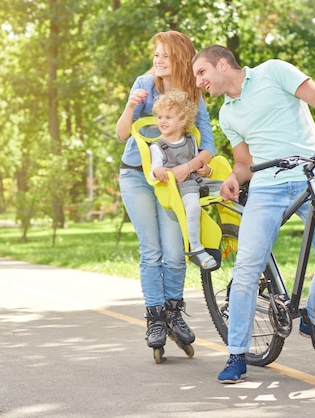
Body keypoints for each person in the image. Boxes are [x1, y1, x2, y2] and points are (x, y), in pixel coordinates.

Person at [191, 45, 315, 383]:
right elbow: (245, 162)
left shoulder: (273, 71)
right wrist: (234, 177)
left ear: (222, 64)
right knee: (247, 266)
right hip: (267, 185)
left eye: (202, 73)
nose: (199, 82)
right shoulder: (227, 113)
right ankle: (236, 353)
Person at [115, 31, 215, 355]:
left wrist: (191, 167)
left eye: (165, 55)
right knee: (152, 251)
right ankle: (155, 318)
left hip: (176, 180)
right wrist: (130, 108)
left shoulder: (193, 95)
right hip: (137, 176)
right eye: (155, 54)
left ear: (180, 59)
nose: (157, 60)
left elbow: (208, 146)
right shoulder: (143, 85)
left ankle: (174, 313)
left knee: (174, 252)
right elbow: (121, 134)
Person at [149, 89, 221, 270]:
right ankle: (195, 247)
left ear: (182, 120)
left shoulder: (190, 139)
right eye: (160, 117)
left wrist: (206, 168)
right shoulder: (158, 146)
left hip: (198, 181)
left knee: (230, 190)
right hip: (183, 187)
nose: (162, 121)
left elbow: (197, 163)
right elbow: (153, 170)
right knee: (193, 206)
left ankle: (233, 233)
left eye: (168, 117)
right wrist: (158, 171)